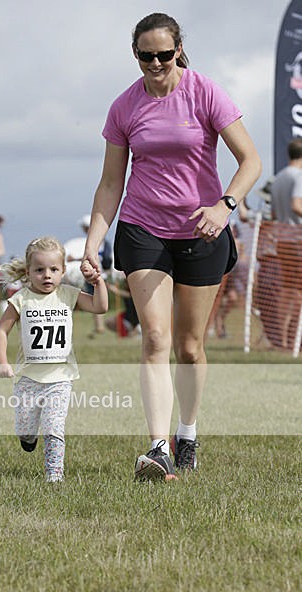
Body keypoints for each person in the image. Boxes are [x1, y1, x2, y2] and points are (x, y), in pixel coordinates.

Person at [81, 12, 261, 481]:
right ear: (135, 55)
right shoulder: (125, 106)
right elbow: (110, 183)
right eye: (147, 56)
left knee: (190, 346)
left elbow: (250, 160)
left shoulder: (205, 92)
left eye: (164, 54)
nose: (156, 63)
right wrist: (93, 243)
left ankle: (188, 433)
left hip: (203, 232)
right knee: (155, 338)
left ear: (178, 49)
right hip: (143, 229)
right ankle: (158, 448)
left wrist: (224, 206)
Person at [0, 236, 108, 483]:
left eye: (54, 270)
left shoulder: (68, 294)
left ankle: (54, 474)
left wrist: (98, 283)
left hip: (60, 378)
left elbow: (100, 307)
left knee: (54, 425)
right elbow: (1, 331)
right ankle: (28, 437)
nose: (47, 275)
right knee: (25, 428)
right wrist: (2, 361)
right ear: (28, 272)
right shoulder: (21, 299)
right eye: (39, 270)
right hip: (28, 378)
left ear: (63, 271)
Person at [270, 138, 302, 350]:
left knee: (287, 291)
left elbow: (273, 214)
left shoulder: (278, 177)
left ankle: (283, 339)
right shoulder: (299, 175)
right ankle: (293, 340)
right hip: (297, 240)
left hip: (282, 240)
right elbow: (297, 205)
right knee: (296, 292)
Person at [64, 215, 114, 337]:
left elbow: (95, 258)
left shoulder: (95, 242)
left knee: (95, 300)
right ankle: (99, 326)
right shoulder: (103, 242)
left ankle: (99, 327)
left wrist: (74, 259)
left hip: (94, 274)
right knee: (96, 300)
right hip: (100, 274)